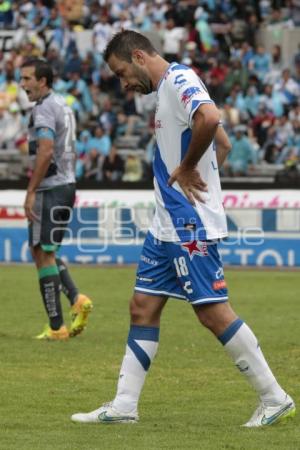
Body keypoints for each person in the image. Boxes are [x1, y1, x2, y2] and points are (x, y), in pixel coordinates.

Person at [71, 31, 295, 427]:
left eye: (122, 72)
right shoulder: (165, 92)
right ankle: (124, 405)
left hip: (186, 223)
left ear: (139, 56)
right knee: (142, 306)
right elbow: (220, 142)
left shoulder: (179, 80)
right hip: (166, 225)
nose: (123, 83)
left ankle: (274, 397)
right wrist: (203, 167)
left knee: (212, 312)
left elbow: (211, 119)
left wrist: (191, 168)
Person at [20, 58, 93, 341]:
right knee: (45, 251)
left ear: (43, 80)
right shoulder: (62, 104)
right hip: (66, 185)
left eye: (27, 79)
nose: (23, 85)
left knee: (42, 252)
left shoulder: (44, 109)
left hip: (51, 188)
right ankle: (76, 299)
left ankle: (56, 327)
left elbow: (46, 150)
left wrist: (30, 190)